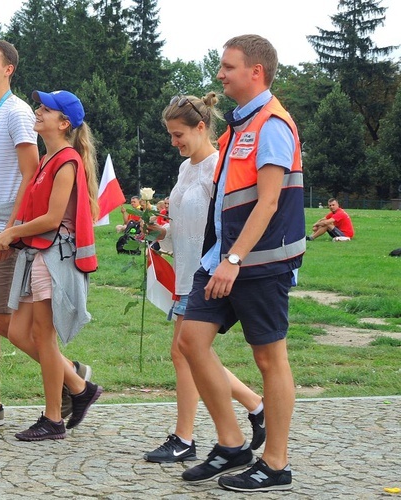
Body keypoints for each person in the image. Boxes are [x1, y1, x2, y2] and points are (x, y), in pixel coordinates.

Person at [177, 35, 304, 492]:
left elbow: (268, 204)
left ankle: (275, 464)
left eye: (228, 67)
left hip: (258, 262)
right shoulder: (238, 127)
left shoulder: (272, 124)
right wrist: (221, 257)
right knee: (191, 341)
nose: (220, 74)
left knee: (270, 359)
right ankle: (232, 444)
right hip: (224, 259)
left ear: (256, 72)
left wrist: (233, 259)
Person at [0, 39, 91, 426]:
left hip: (7, 232)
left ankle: (72, 377)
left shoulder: (17, 113)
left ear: (8, 69)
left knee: (0, 319)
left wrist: (10, 230)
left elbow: (31, 174)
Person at [141, 93, 265, 464]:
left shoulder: (217, 168)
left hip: (206, 272)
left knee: (185, 353)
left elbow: (225, 225)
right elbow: (184, 226)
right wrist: (157, 232)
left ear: (201, 127)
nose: (174, 142)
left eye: (179, 134)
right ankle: (256, 406)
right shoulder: (185, 169)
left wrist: (227, 263)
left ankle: (184, 437)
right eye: (170, 135)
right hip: (183, 270)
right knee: (193, 353)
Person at [0, 89, 103, 440]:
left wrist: (11, 233)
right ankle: (78, 387)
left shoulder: (66, 160)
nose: (37, 111)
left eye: (45, 109)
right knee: (20, 333)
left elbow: (53, 219)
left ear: (64, 123)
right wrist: (15, 237)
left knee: (44, 337)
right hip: (37, 255)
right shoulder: (47, 160)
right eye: (39, 107)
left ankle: (53, 419)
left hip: (53, 257)